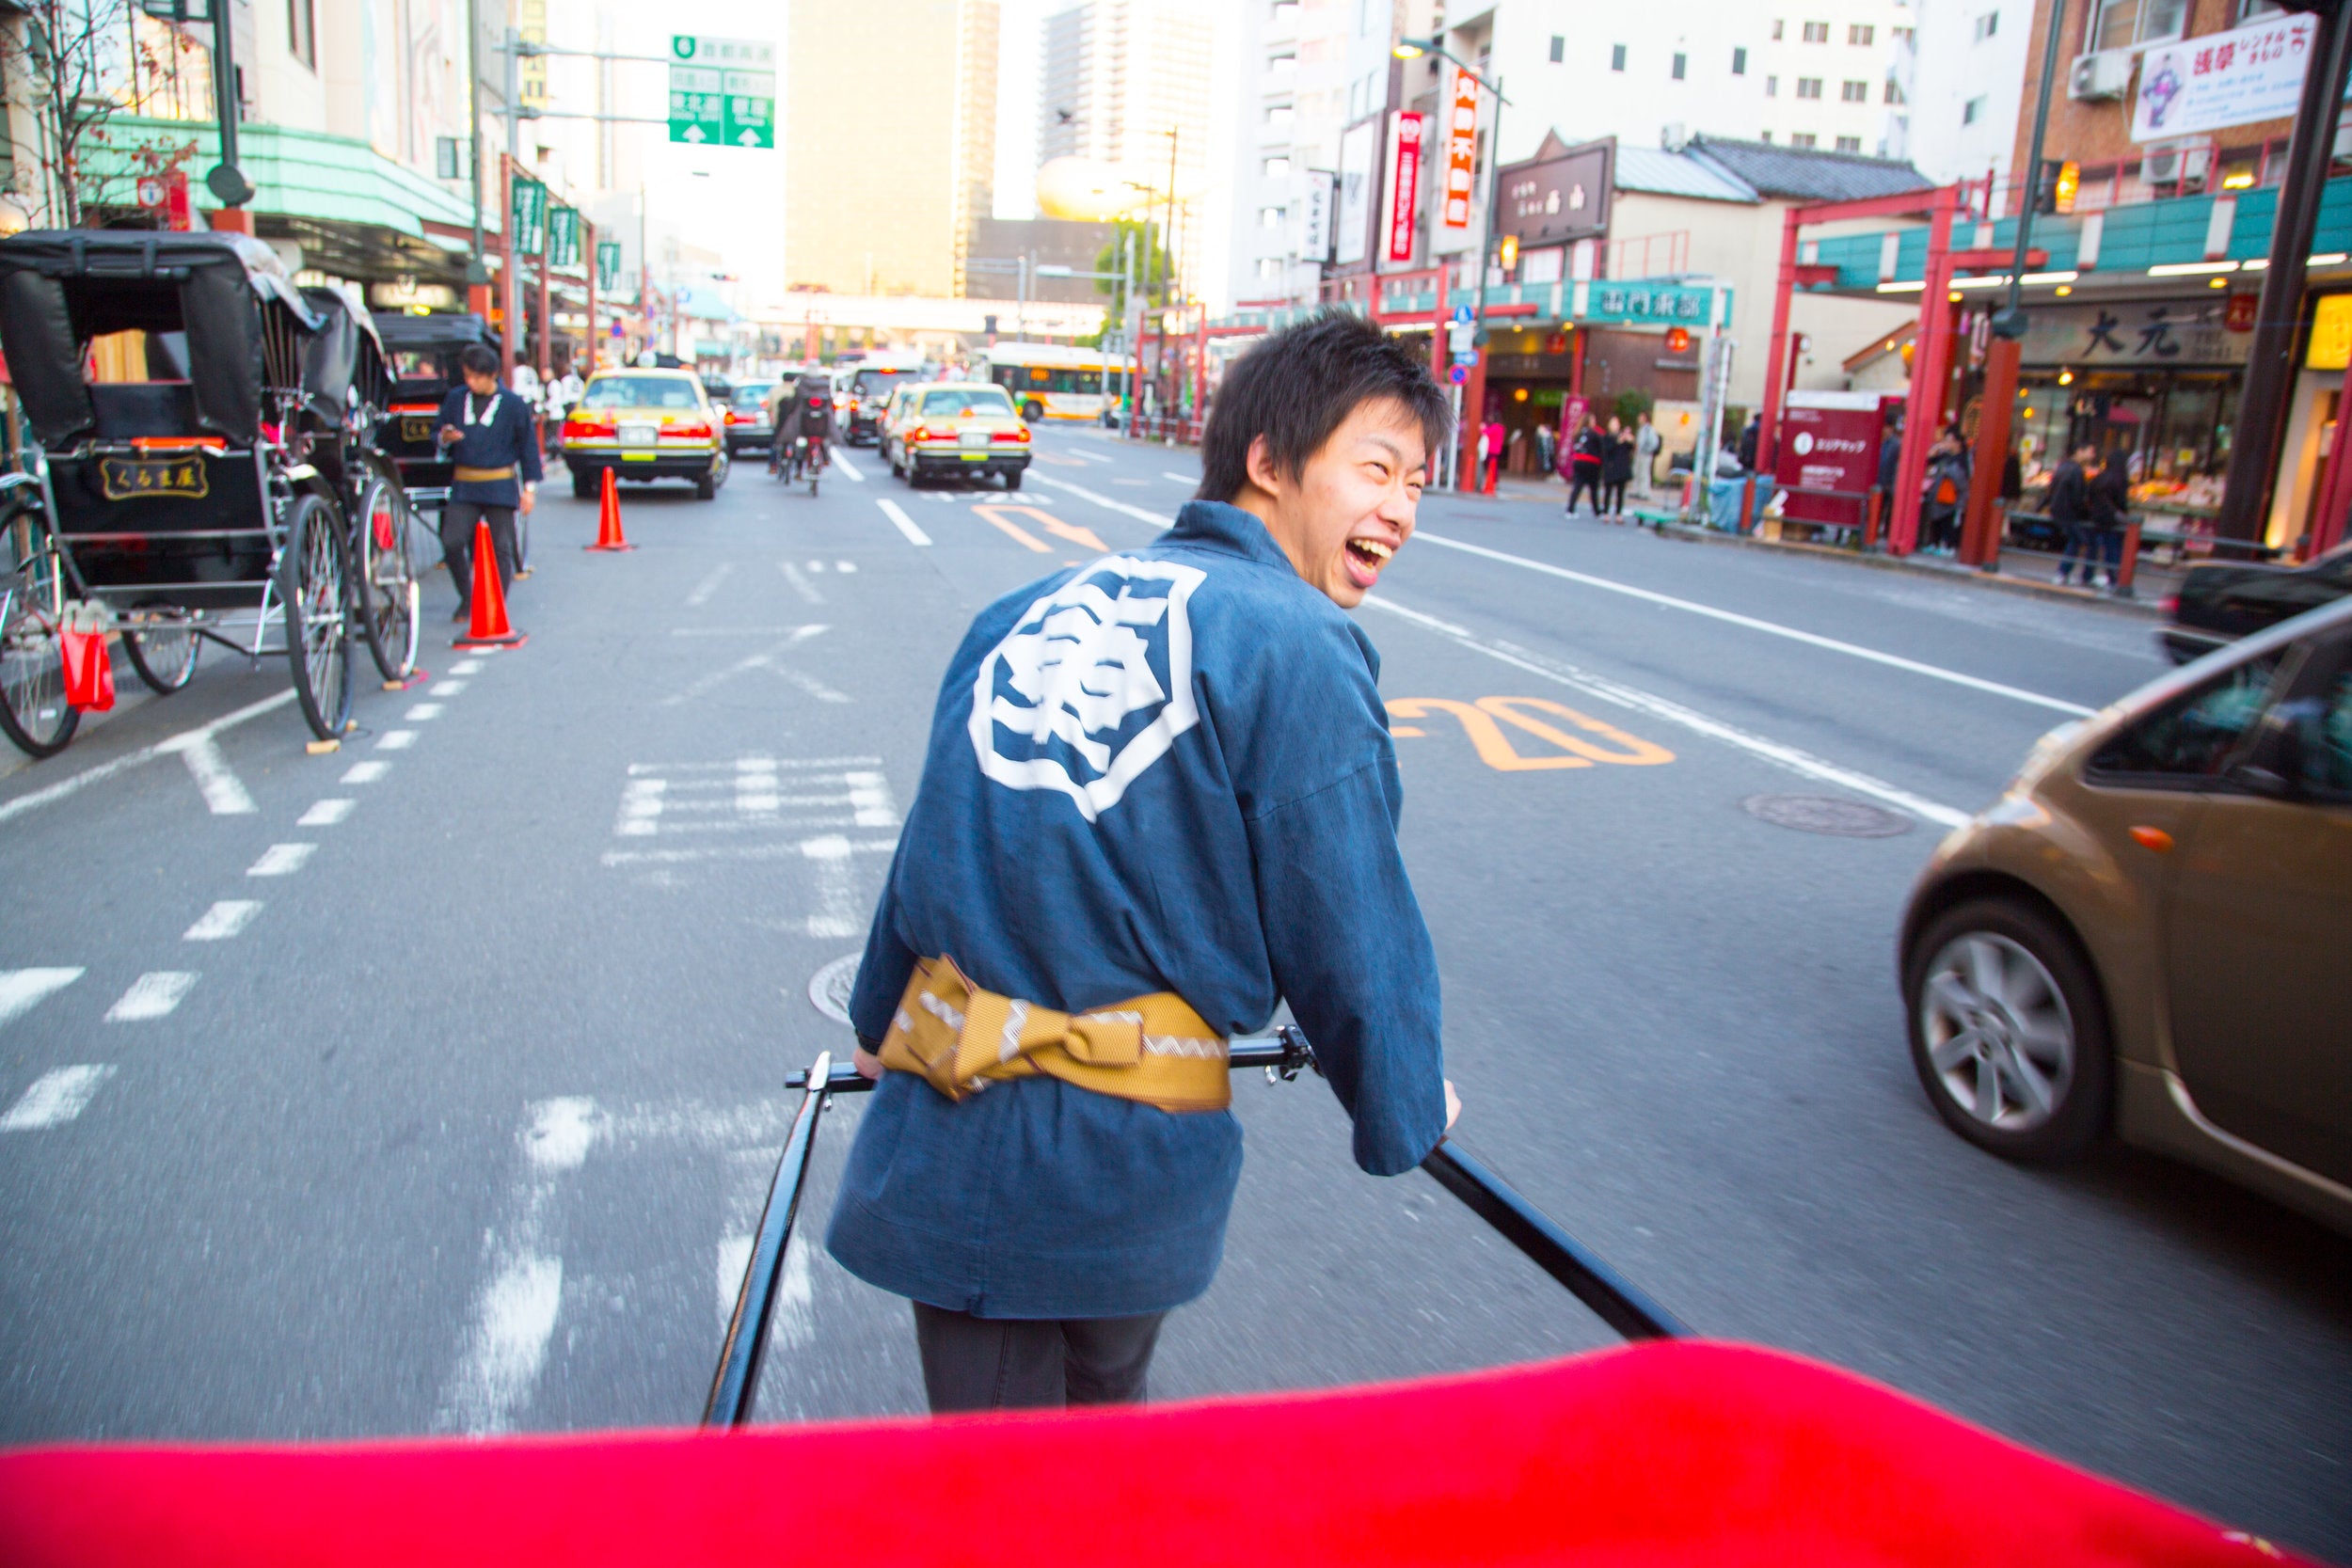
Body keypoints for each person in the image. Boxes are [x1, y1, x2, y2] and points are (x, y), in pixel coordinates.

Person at [823, 310, 1456, 1415]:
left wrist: (880, 1021)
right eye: (1376, 467)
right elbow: (1347, 914)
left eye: (1417, 482)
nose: (1400, 507)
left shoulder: (1019, 612)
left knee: (994, 1472)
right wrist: (1403, 1104)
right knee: (1089, 1452)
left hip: (946, 1111)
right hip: (1117, 1152)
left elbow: (933, 836)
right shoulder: (1296, 643)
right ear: (1268, 462)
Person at [435, 344, 540, 621]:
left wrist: (529, 488)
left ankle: (497, 603)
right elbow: (439, 429)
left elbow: (528, 447)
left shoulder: (513, 404)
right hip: (465, 483)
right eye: (468, 376)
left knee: (501, 548)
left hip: (500, 483)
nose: (471, 382)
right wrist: (445, 435)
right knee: (452, 542)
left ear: (492, 374)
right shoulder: (457, 399)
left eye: (477, 377)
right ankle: (467, 597)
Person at [2049, 442, 2097, 585]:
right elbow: (2077, 497)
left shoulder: (2063, 467)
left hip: (2059, 509)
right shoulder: (2076, 471)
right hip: (2069, 512)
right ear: (2079, 451)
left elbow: (2051, 489)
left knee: (2077, 540)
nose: (2092, 456)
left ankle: (2065, 574)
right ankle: (2067, 573)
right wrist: (2086, 511)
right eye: (2090, 451)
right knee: (2082, 540)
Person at [772, 370, 834, 478]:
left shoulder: (801, 386)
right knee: (823, 438)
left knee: (799, 443)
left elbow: (795, 404)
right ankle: (825, 458)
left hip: (804, 422)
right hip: (821, 422)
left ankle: (798, 470)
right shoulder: (825, 386)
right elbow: (830, 405)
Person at [2088, 447, 2134, 590]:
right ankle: (2113, 578)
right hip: (2113, 519)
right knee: (2113, 549)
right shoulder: (2121, 479)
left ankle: (2088, 575)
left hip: (2097, 518)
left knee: (2095, 548)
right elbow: (2121, 502)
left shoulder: (2099, 478)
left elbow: (2089, 496)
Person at [1919, 431, 1971, 554]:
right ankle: (1934, 543)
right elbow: (1929, 460)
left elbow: (1962, 480)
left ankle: (1947, 546)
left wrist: (1947, 471)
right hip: (1937, 493)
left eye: (1949, 440)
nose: (1946, 443)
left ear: (1957, 443)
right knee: (1935, 520)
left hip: (1953, 496)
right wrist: (1936, 448)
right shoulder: (1945, 456)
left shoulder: (1962, 459)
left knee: (1948, 521)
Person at [1561, 414, 1604, 517]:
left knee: (1577, 486)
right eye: (1593, 420)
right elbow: (1602, 447)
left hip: (1578, 461)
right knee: (1593, 488)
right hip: (1592, 462)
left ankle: (1570, 509)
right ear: (1589, 421)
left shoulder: (1577, 433)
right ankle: (1596, 510)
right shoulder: (1594, 434)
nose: (1594, 422)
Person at [1600, 415, 1634, 521]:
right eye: (1613, 423)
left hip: (1621, 468)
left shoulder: (1623, 437)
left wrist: (1630, 440)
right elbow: (1606, 451)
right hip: (1610, 467)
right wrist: (1617, 442)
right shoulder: (1607, 437)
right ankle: (1606, 513)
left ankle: (1619, 513)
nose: (1615, 425)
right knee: (1608, 491)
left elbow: (1630, 449)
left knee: (1621, 492)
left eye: (1617, 423)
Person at [1631, 410, 1661, 501]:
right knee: (1637, 472)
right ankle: (1638, 491)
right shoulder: (1642, 428)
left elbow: (1654, 443)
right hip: (1639, 454)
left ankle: (1644, 492)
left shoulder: (1648, 429)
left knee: (1644, 473)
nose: (1639, 418)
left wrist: (1646, 450)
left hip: (1645, 454)